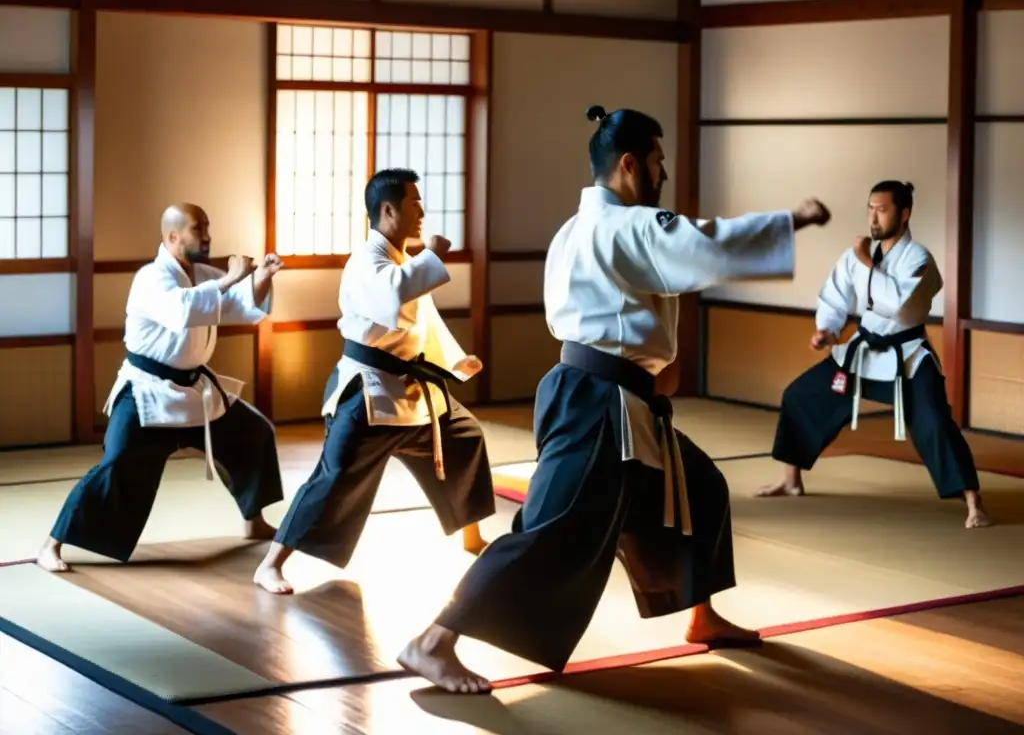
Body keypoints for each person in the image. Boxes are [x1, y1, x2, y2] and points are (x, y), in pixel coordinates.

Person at [395, 105, 833, 694]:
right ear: (630, 165)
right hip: (599, 402)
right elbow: (705, 243)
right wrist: (791, 222)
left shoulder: (578, 229)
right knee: (550, 528)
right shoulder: (626, 225)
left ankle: (701, 615)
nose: (662, 176)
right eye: (657, 163)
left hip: (615, 398)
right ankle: (432, 641)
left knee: (699, 488)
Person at [253, 168, 495, 595]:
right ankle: (271, 563)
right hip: (369, 390)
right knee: (335, 475)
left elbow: (423, 321)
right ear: (388, 210)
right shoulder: (368, 260)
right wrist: (432, 257)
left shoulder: (401, 260)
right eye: (414, 203)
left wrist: (456, 361)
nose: (421, 211)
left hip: (413, 391)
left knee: (464, 437)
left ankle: (472, 537)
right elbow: (392, 299)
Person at [36, 203, 285, 573]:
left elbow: (239, 307)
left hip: (195, 391)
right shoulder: (151, 278)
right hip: (149, 394)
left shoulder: (201, 273)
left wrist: (261, 276)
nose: (208, 236)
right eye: (199, 229)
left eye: (207, 227)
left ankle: (254, 520)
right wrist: (231, 278)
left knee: (254, 432)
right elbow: (182, 311)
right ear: (172, 236)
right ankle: (52, 543)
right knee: (117, 463)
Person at [757, 181, 991, 529]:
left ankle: (973, 501)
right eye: (870, 208)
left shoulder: (919, 259)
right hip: (863, 351)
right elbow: (836, 294)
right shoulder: (857, 256)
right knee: (800, 396)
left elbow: (899, 307)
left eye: (882, 209)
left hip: (907, 355)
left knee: (934, 422)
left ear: (904, 214)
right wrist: (828, 330)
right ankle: (791, 479)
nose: (873, 216)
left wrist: (866, 261)